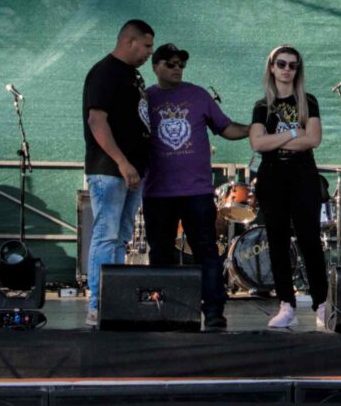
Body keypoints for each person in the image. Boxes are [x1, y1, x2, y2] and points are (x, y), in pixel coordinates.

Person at [140, 44, 250, 331]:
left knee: (206, 252)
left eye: (181, 64)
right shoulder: (146, 99)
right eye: (171, 64)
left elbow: (225, 128)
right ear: (155, 66)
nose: (177, 68)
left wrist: (253, 129)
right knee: (160, 253)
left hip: (197, 192)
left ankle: (214, 313)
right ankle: (163, 312)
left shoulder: (199, 95)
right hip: (158, 192)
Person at [247, 44, 328, 330]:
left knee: (309, 239)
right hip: (272, 176)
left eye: (293, 65)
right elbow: (257, 143)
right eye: (281, 64)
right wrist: (294, 132)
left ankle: (321, 303)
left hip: (303, 174)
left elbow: (313, 139)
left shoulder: (308, 101)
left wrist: (275, 140)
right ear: (272, 67)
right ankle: (286, 304)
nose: (286, 69)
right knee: (277, 240)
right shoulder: (262, 106)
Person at [81, 18, 155, 323]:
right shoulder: (105, 72)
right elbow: (96, 120)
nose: (149, 52)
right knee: (106, 233)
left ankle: (114, 298)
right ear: (129, 41)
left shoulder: (133, 75)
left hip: (132, 170)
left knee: (122, 236)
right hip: (110, 170)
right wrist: (122, 162)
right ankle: (98, 303)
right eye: (146, 45)